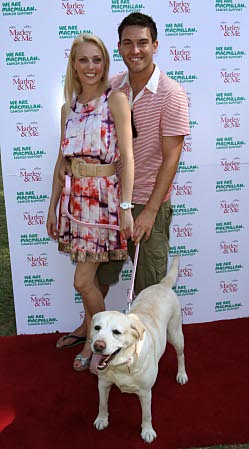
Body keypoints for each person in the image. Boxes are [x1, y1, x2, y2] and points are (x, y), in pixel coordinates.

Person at [56, 12, 190, 353]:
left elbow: (171, 157)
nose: (135, 50)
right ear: (119, 47)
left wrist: (148, 212)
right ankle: (91, 332)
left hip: (147, 204)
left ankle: (146, 357)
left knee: (148, 287)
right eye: (128, 43)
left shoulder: (172, 94)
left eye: (142, 42)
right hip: (107, 207)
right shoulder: (112, 85)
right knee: (96, 279)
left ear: (155, 45)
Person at [46, 33, 134, 371]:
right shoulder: (69, 106)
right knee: (89, 282)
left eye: (97, 60)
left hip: (103, 202)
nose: (91, 66)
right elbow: (60, 161)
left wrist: (125, 207)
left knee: (83, 281)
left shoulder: (116, 100)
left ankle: (97, 343)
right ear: (73, 64)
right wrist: (53, 206)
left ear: (105, 64)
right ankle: (90, 329)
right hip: (74, 202)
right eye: (83, 60)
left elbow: (127, 157)